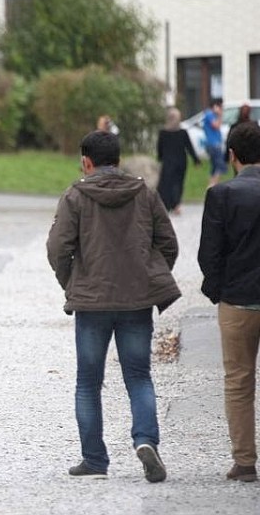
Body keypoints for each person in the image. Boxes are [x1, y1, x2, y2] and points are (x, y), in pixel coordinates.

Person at [47, 130, 180, 483]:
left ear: (86, 162)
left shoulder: (75, 196)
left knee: (88, 382)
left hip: (92, 304)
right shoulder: (144, 194)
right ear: (118, 160)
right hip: (136, 300)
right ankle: (146, 440)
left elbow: (57, 248)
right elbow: (168, 243)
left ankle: (94, 459)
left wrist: (72, 281)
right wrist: (149, 274)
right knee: (138, 376)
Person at [198, 123, 260, 483]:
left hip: (237, 301)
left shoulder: (221, 196)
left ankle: (245, 462)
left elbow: (210, 255)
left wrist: (218, 291)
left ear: (232, 156)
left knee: (238, 382)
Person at [156, 107, 200, 214]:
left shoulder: (163, 133)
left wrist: (160, 157)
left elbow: (159, 147)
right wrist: (196, 160)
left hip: (168, 162)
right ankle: (176, 205)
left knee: (166, 184)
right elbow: (189, 147)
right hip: (181, 162)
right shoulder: (182, 133)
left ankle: (167, 205)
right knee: (178, 183)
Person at [203, 97, 227, 187]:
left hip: (215, 144)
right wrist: (220, 115)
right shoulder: (209, 114)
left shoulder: (212, 115)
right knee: (220, 167)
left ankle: (211, 186)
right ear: (216, 106)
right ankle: (213, 186)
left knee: (214, 167)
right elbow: (216, 125)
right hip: (213, 144)